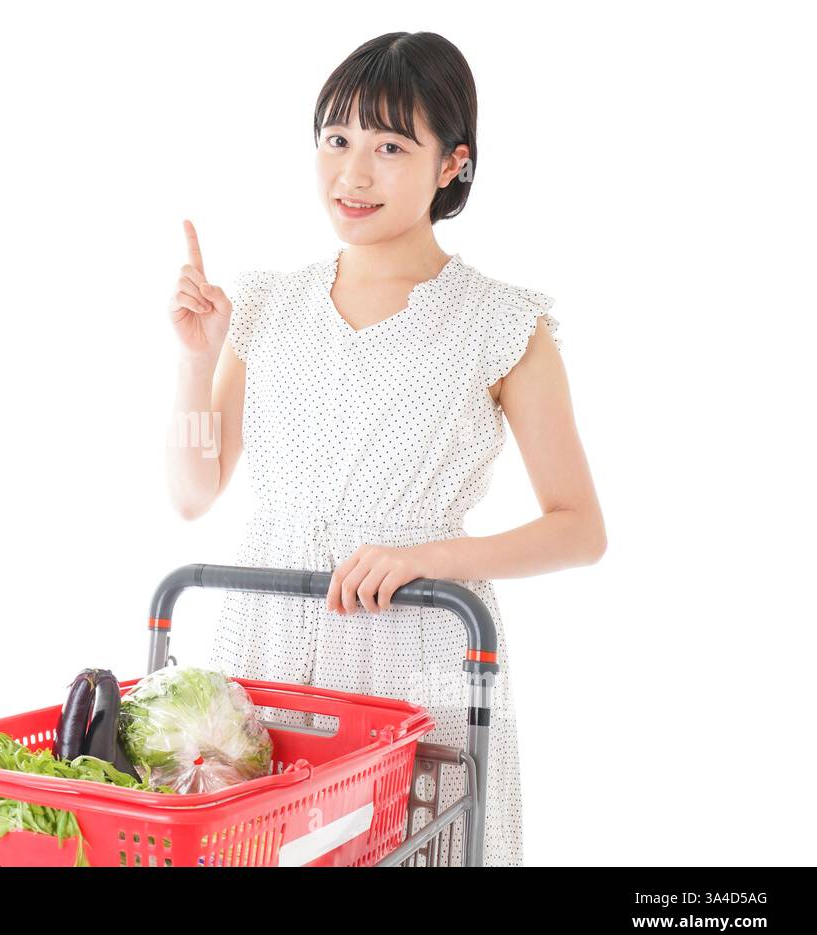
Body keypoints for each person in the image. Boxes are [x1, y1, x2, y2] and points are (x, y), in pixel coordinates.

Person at [164, 31, 606, 866]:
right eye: (337, 140)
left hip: (418, 649)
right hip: (266, 631)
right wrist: (197, 357)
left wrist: (425, 555)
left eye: (390, 146)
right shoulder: (266, 305)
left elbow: (580, 527)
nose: (352, 174)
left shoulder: (501, 324)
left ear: (452, 165)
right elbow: (193, 490)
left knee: (415, 841)